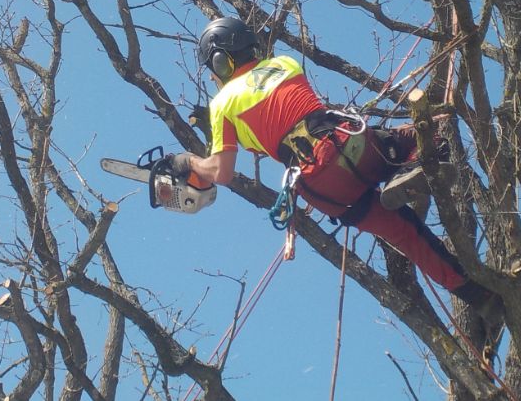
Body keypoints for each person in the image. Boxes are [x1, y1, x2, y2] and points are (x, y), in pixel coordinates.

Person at [171, 17, 501, 317]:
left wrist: (189, 162)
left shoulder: (222, 103)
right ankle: (407, 173)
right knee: (419, 139)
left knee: (405, 235)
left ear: (220, 60)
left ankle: (478, 299)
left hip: (322, 189)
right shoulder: (285, 63)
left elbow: (223, 171)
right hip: (349, 144)